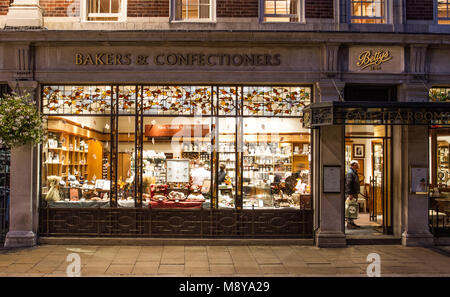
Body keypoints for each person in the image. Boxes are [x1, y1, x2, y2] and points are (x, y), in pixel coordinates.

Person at [345, 160, 361, 229]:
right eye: (357, 164)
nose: (358, 165)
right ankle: (349, 223)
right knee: (350, 208)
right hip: (351, 194)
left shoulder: (353, 172)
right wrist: (350, 194)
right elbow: (348, 184)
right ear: (354, 165)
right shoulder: (350, 173)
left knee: (352, 208)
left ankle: (352, 222)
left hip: (354, 193)